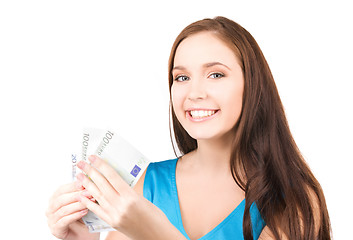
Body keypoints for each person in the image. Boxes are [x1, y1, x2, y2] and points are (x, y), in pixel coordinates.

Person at [46, 16, 331, 240]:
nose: (194, 92)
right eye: (181, 78)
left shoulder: (292, 198)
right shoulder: (147, 184)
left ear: (253, 85)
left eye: (215, 74)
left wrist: (155, 233)